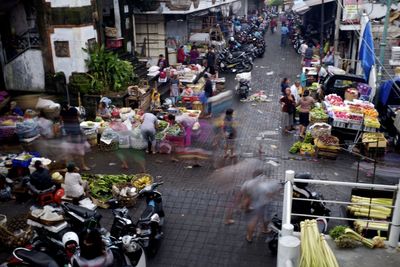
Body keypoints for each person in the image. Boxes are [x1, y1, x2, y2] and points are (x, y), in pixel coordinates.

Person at [242, 175, 283, 242]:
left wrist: (245, 206)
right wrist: (277, 192)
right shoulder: (263, 187)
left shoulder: (247, 183)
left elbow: (245, 194)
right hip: (263, 204)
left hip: (254, 204)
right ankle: (265, 229)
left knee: (253, 220)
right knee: (266, 217)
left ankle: (249, 237)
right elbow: (270, 195)